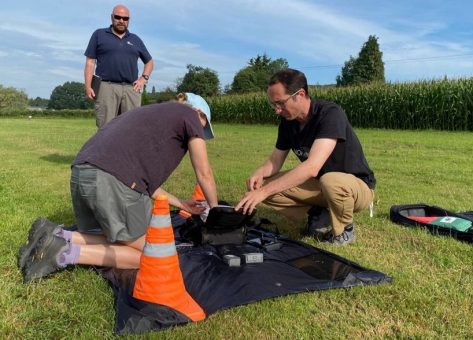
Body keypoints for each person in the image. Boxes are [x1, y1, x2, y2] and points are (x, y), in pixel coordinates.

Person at [20, 93, 218, 282]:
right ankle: (63, 253)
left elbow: (145, 185)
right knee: (154, 255)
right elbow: (204, 174)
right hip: (110, 181)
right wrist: (216, 212)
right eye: (202, 128)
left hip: (83, 174)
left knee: (117, 237)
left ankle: (56, 235)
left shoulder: (151, 114)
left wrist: (182, 204)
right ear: (199, 113)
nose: (200, 134)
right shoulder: (189, 115)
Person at [235, 69, 375, 246]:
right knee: (264, 185)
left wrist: (264, 192)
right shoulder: (288, 123)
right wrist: (259, 174)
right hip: (320, 186)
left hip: (355, 188)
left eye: (280, 103)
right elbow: (274, 161)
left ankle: (344, 231)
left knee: (330, 181)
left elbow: (311, 167)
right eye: (273, 105)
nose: (277, 110)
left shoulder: (329, 114)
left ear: (300, 94)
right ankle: (318, 216)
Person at [84, 4, 154, 128]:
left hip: (131, 89)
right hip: (106, 87)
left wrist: (143, 79)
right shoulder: (99, 34)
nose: (122, 21)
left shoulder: (135, 39)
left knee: (131, 129)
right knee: (106, 129)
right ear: (112, 18)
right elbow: (90, 62)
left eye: (125, 18)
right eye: (118, 17)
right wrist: (88, 86)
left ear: (128, 20)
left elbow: (149, 62)